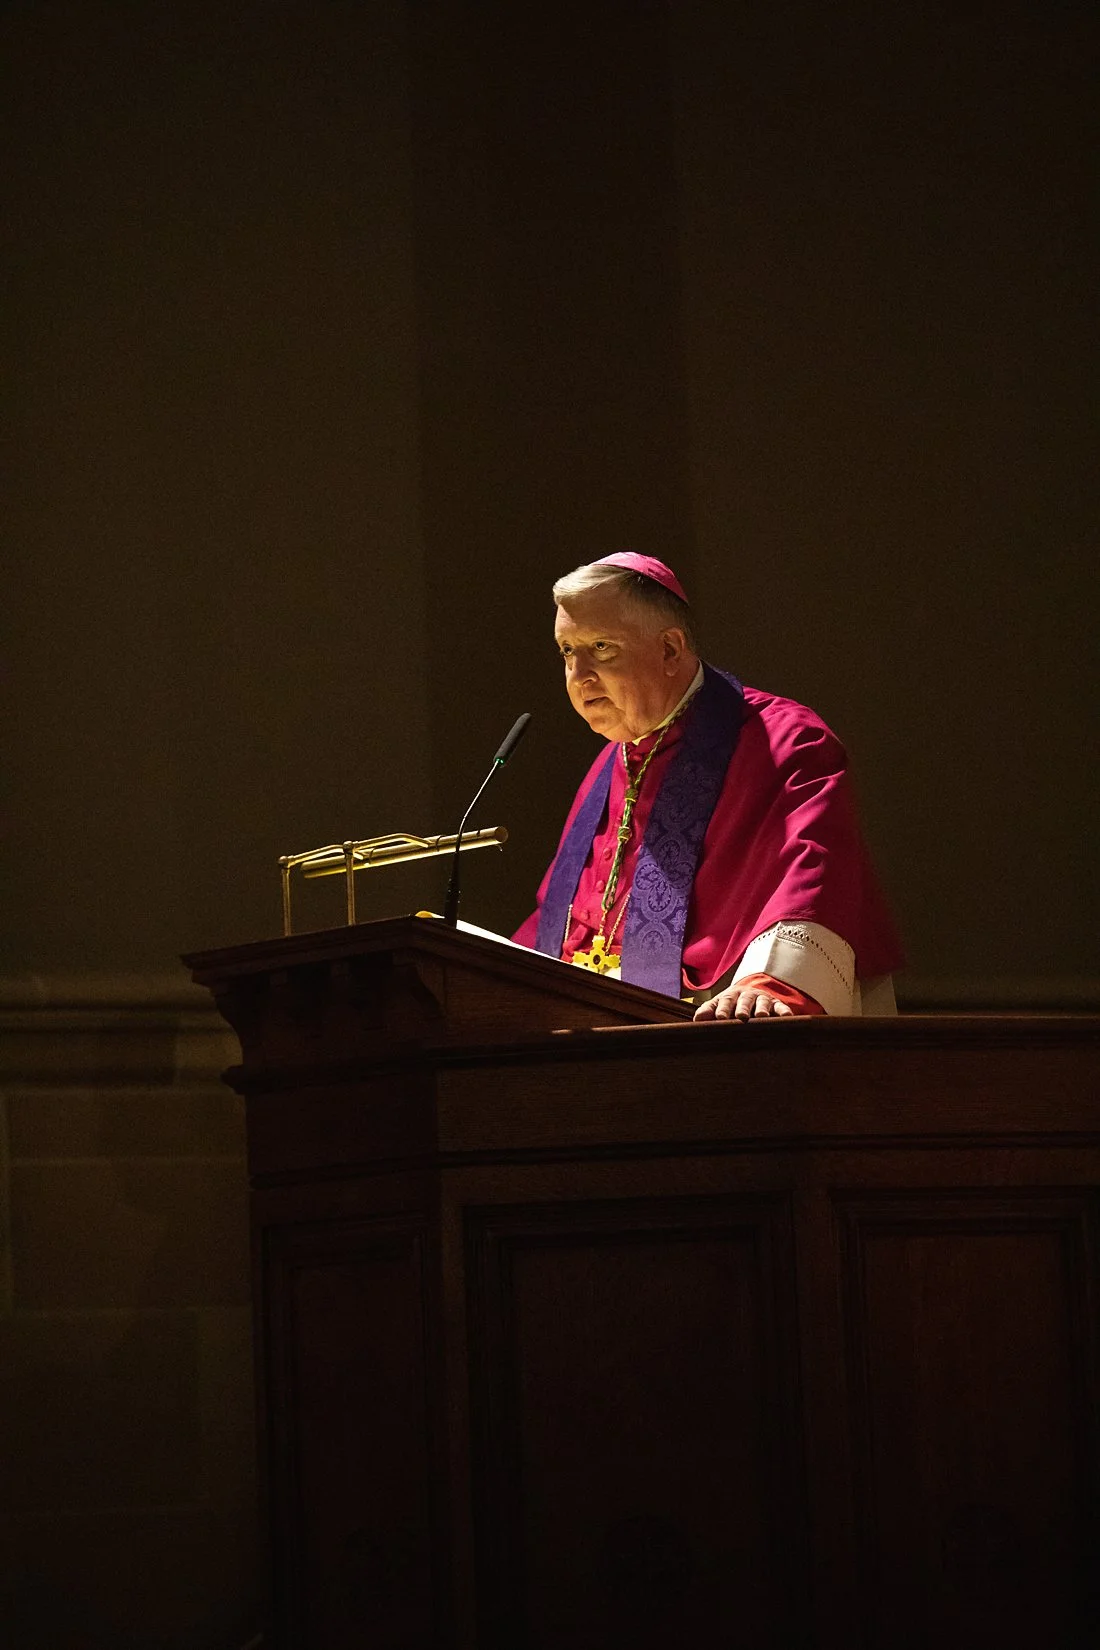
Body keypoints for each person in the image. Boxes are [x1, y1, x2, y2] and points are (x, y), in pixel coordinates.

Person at [512, 552, 904, 1019]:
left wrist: (772, 981)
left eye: (601, 648)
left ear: (671, 650)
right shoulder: (609, 766)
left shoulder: (783, 740)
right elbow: (561, 925)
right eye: (567, 651)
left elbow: (814, 874)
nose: (578, 676)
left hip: (713, 1023)